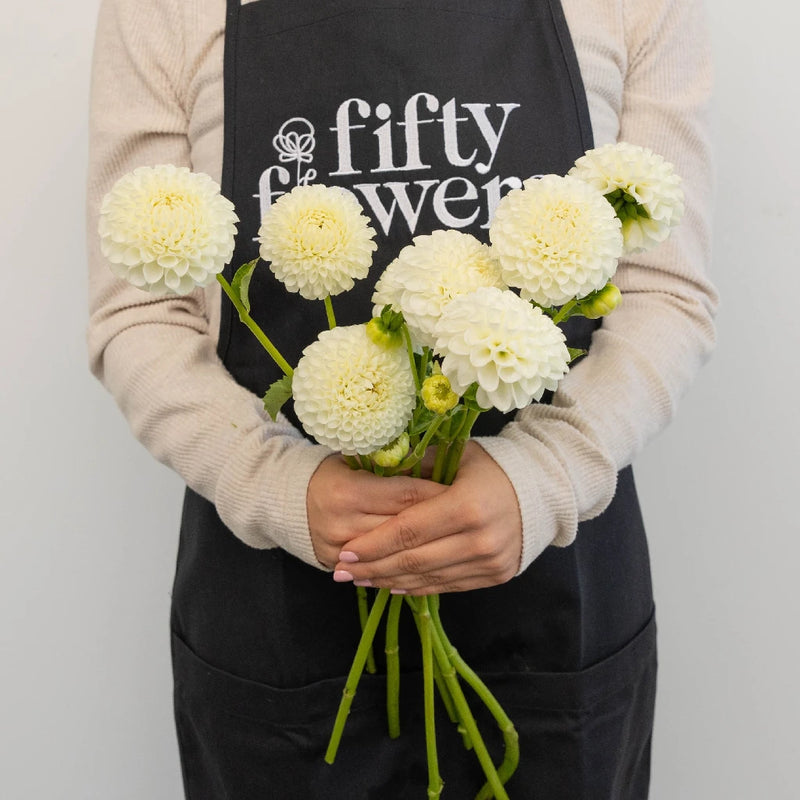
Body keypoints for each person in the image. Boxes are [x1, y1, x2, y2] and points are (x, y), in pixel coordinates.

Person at [86, 0, 717, 797]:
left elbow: (664, 290)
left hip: (555, 598)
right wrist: (280, 485)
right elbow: (138, 312)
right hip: (280, 609)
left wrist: (543, 477)